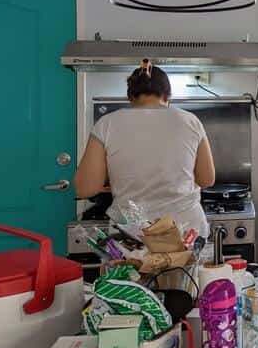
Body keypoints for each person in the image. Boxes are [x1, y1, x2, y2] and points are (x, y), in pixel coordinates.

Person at [74, 59, 215, 239]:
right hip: (185, 233)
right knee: (185, 269)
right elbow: (207, 179)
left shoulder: (107, 123)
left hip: (132, 236)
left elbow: (84, 188)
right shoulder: (190, 121)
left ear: (130, 96)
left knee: (132, 268)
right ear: (167, 96)